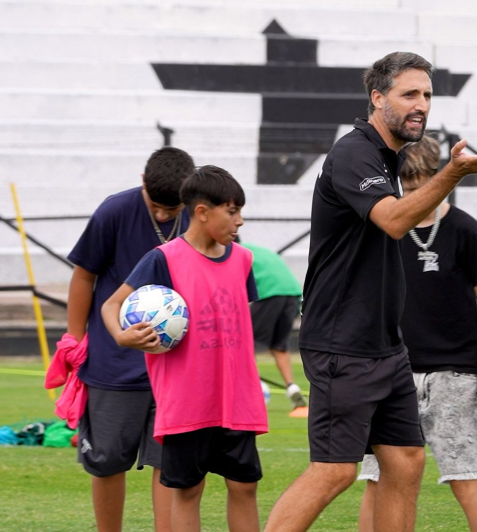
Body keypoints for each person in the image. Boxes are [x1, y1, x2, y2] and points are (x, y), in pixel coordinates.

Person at [262, 52, 477, 532]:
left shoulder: (386, 156)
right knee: (334, 470)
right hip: (343, 343)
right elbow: (394, 221)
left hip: (386, 346)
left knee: (406, 461)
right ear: (377, 98)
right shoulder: (355, 152)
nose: (422, 105)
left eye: (427, 95)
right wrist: (453, 173)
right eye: (409, 94)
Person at [101, 165, 267, 532]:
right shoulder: (163, 259)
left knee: (245, 486)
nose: (239, 221)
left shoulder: (243, 259)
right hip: (188, 401)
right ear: (202, 212)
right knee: (189, 490)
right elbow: (111, 305)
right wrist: (122, 336)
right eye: (232, 211)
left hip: (236, 398)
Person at [356, 135, 477, 532]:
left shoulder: (464, 228)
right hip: (392, 372)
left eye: (422, 179)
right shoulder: (385, 229)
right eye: (407, 182)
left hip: (454, 376)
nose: (415, 189)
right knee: (376, 479)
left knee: (465, 480)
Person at [66, 146, 194, 532]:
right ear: (142, 183)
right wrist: (75, 341)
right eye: (156, 206)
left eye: (172, 209)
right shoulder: (114, 211)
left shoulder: (202, 215)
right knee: (106, 462)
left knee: (168, 464)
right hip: (113, 363)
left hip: (177, 365)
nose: (163, 216)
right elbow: (84, 276)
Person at [238, 238, 307, 413]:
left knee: (244, 340)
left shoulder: (234, 253)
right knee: (279, 345)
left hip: (270, 292)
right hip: (293, 293)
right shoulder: (260, 250)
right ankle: (292, 387)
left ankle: (253, 387)